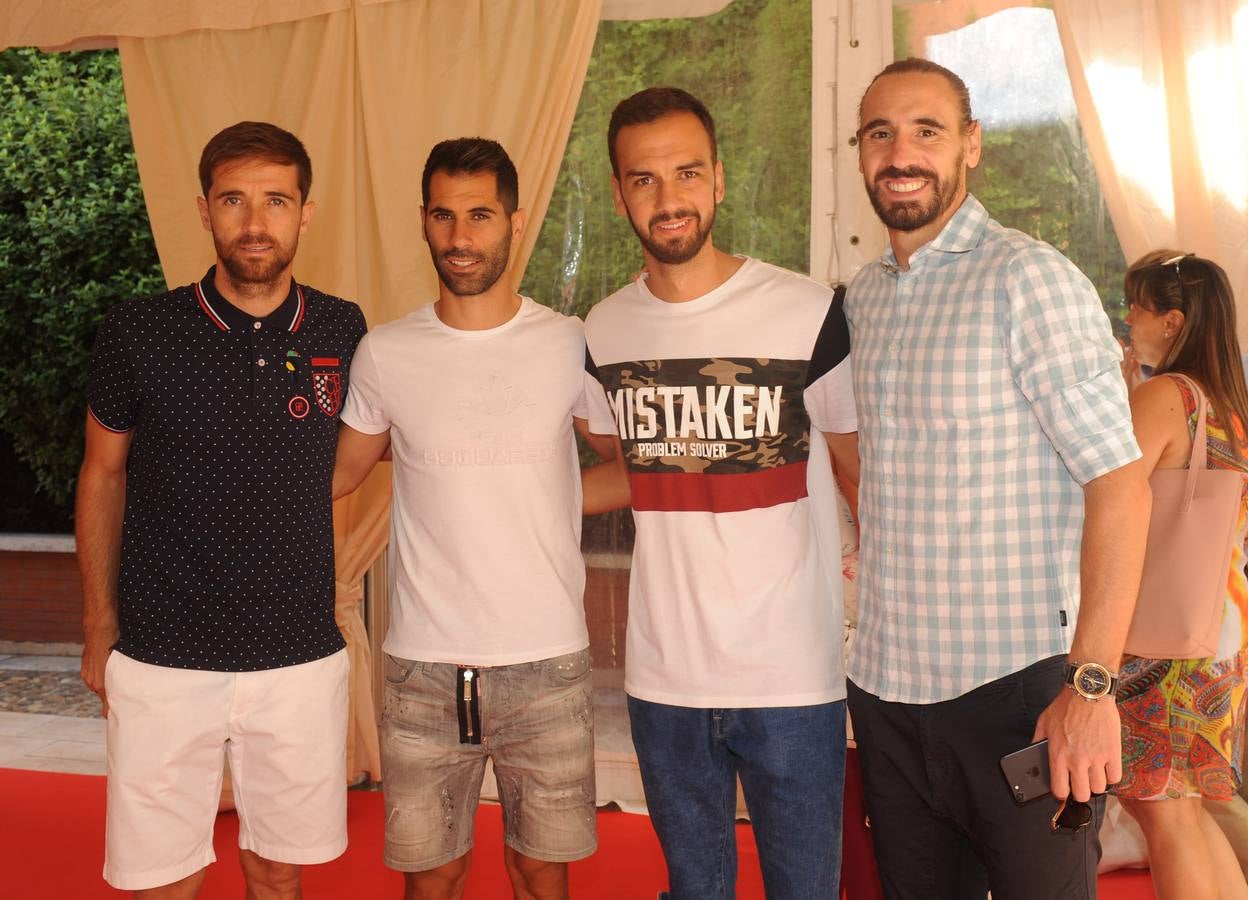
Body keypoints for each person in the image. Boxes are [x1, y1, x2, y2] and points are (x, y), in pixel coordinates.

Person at [843, 58, 1152, 899]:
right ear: (860, 153)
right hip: (887, 692)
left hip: (1017, 695)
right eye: (880, 133)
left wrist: (1092, 685)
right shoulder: (866, 298)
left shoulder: (1028, 278)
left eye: (927, 130)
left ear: (971, 146)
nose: (900, 152)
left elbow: (1120, 484)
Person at [582, 86, 861, 899]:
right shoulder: (604, 330)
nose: (668, 200)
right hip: (665, 678)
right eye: (644, 179)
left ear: (720, 180)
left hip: (794, 677)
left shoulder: (809, 312)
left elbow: (856, 474)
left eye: (687, 174)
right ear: (618, 192)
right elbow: (634, 464)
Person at [77, 121, 367, 897]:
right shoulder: (138, 332)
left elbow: (354, 461)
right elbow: (102, 475)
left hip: (299, 657)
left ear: (304, 213)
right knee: (161, 879)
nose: (255, 221)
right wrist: (99, 622)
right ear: (204, 210)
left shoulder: (344, 329)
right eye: (234, 200)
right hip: (161, 656)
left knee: (277, 871)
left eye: (276, 200)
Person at [332, 137, 622, 900]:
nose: (461, 237)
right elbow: (333, 478)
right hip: (423, 666)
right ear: (424, 222)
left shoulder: (569, 343)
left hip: (547, 663)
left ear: (515, 223)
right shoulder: (385, 353)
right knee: (434, 876)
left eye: (481, 216)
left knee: (539, 870)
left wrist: (542, 490)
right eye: (444, 216)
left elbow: (631, 469)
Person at [1114, 251, 1248, 900]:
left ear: (1172, 320)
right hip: (1216, 631)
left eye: (1135, 305)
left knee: (1165, 814)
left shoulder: (1167, 395)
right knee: (1185, 808)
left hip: (1160, 640)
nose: (1128, 318)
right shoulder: (1229, 401)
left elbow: (1110, 493)